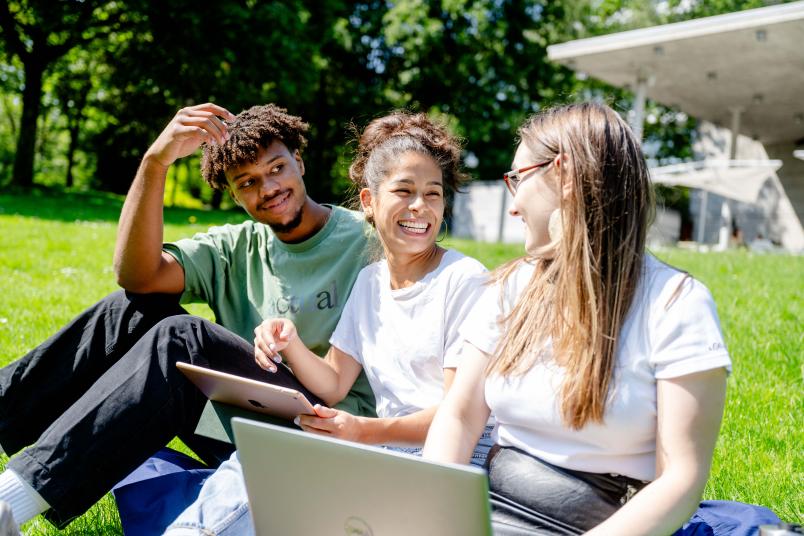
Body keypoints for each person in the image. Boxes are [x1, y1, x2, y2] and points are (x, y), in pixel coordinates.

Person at [0, 103, 376, 531]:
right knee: (134, 308)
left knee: (183, 337)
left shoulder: (366, 238)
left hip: (328, 438)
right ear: (234, 195)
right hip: (241, 431)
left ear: (300, 162)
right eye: (248, 182)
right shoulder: (236, 247)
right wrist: (155, 162)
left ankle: (10, 502)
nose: (268, 187)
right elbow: (136, 275)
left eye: (277, 168)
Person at [163, 111, 495, 536]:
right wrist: (289, 340)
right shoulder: (370, 282)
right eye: (404, 191)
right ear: (370, 202)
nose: (420, 207)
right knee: (262, 455)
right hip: (382, 449)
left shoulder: (463, 280)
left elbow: (461, 416)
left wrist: (362, 432)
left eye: (433, 194)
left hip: (447, 461)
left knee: (286, 463)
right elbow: (335, 383)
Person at [422, 102, 732, 535]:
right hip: (492, 514)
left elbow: (681, 478)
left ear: (563, 174)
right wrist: (429, 514)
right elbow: (459, 415)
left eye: (517, 178)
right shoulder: (509, 288)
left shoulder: (676, 304)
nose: (514, 206)